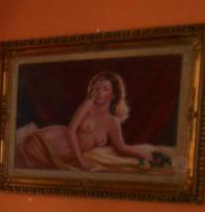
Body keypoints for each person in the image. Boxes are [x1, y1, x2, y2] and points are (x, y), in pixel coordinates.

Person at [15, 71, 153, 171]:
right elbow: (71, 131)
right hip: (47, 141)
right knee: (22, 160)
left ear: (114, 95)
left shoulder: (113, 122)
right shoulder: (88, 105)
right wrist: (81, 161)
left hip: (64, 155)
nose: (98, 92)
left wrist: (142, 154)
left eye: (104, 89)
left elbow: (121, 147)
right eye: (96, 88)